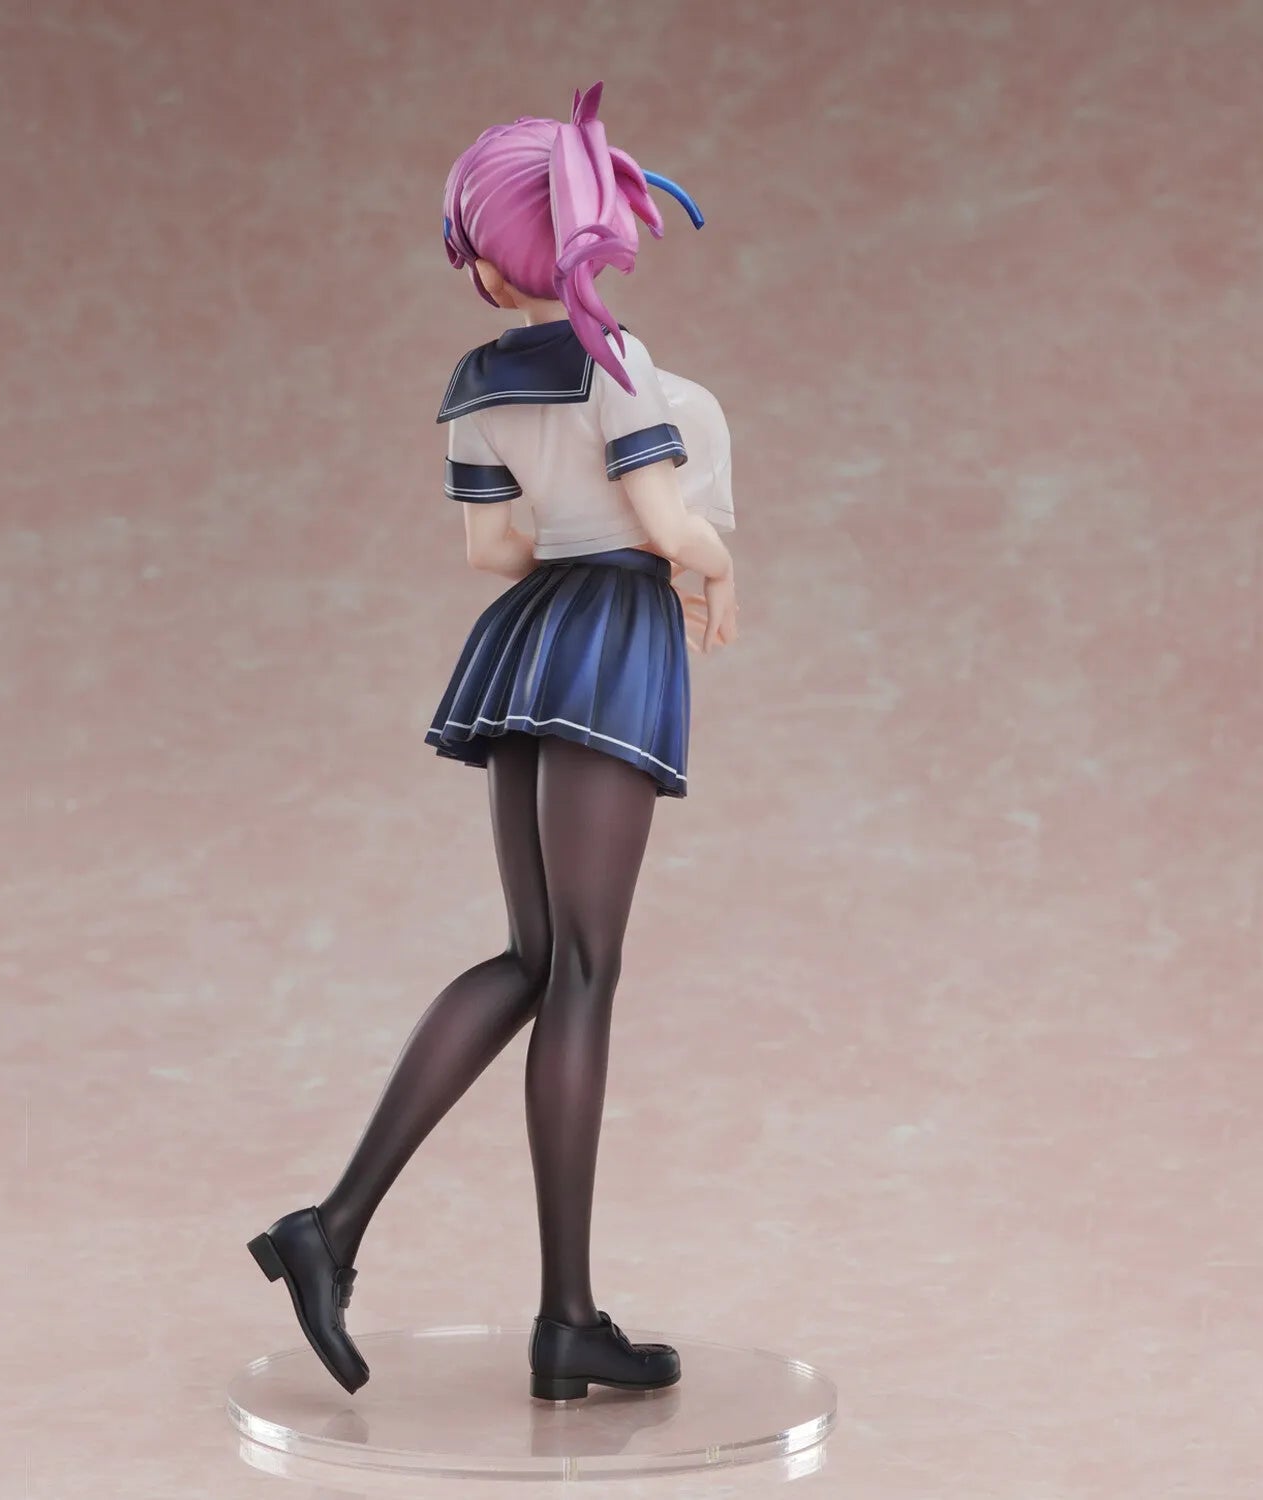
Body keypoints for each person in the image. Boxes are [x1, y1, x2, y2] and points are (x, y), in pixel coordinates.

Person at [247, 81, 739, 1404]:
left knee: (535, 957)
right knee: (583, 968)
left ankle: (339, 1231)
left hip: (526, 642)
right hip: (612, 642)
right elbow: (668, 520)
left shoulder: (478, 380)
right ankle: (554, 1315)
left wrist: (574, 523)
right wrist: (709, 565)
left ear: (491, 256)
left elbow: (494, 552)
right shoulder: (621, 365)